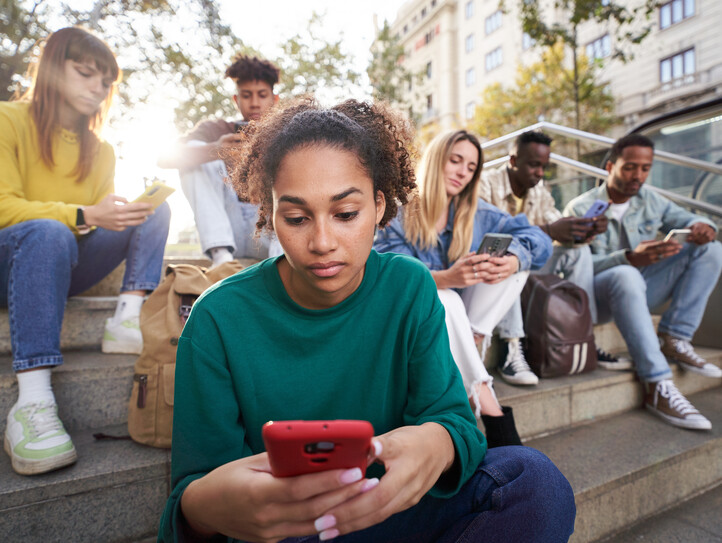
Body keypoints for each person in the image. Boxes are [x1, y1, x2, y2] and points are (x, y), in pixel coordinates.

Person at [158, 100, 575, 542]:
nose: (322, 242)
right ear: (270, 211)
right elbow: (191, 494)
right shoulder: (217, 317)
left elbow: (456, 421)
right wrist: (208, 506)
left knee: (534, 482)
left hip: (399, 510)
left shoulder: (409, 286)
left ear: (378, 206)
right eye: (297, 218)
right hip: (293, 531)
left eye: (345, 214)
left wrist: (438, 443)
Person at [0, 27, 170, 475]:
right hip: (11, 260)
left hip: (63, 263)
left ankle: (127, 317)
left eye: (106, 81)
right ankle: (32, 403)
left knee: (151, 209)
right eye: (85, 73)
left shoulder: (102, 150)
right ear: (54, 69)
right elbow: (2, 205)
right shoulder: (6, 119)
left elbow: (95, 219)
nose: (98, 88)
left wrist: (105, 214)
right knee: (46, 233)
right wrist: (84, 214)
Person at [374, 129, 552, 445]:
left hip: (466, 319)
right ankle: (489, 406)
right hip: (415, 319)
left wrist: (512, 260)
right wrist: (446, 278)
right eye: (455, 161)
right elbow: (391, 276)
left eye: (470, 168)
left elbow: (538, 239)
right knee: (444, 298)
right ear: (435, 160)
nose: (462, 173)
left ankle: (464, 349)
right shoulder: (398, 213)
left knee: (514, 266)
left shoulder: (478, 212)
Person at [565, 133, 722, 430]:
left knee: (711, 250)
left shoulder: (652, 200)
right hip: (595, 298)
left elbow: (691, 219)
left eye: (645, 168)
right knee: (626, 273)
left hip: (639, 292)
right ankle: (657, 385)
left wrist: (703, 227)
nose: (638, 175)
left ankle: (674, 337)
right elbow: (572, 270)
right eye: (629, 167)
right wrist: (628, 258)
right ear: (610, 167)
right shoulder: (580, 207)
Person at [479, 131, 632, 377]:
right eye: (533, 165)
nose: (540, 173)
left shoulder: (539, 190)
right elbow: (483, 236)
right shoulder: (485, 184)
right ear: (513, 160)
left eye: (544, 166)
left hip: (529, 267)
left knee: (578, 252)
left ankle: (583, 334)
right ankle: (511, 348)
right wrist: (549, 230)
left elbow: (556, 223)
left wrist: (581, 231)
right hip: (492, 269)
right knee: (508, 254)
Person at [157, 54, 282, 266]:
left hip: (270, 232)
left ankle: (280, 264)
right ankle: (221, 259)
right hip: (226, 229)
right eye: (246, 95)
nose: (254, 103)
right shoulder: (214, 129)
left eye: (262, 95)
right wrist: (215, 150)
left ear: (274, 99)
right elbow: (164, 158)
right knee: (194, 151)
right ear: (236, 100)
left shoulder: (287, 131)